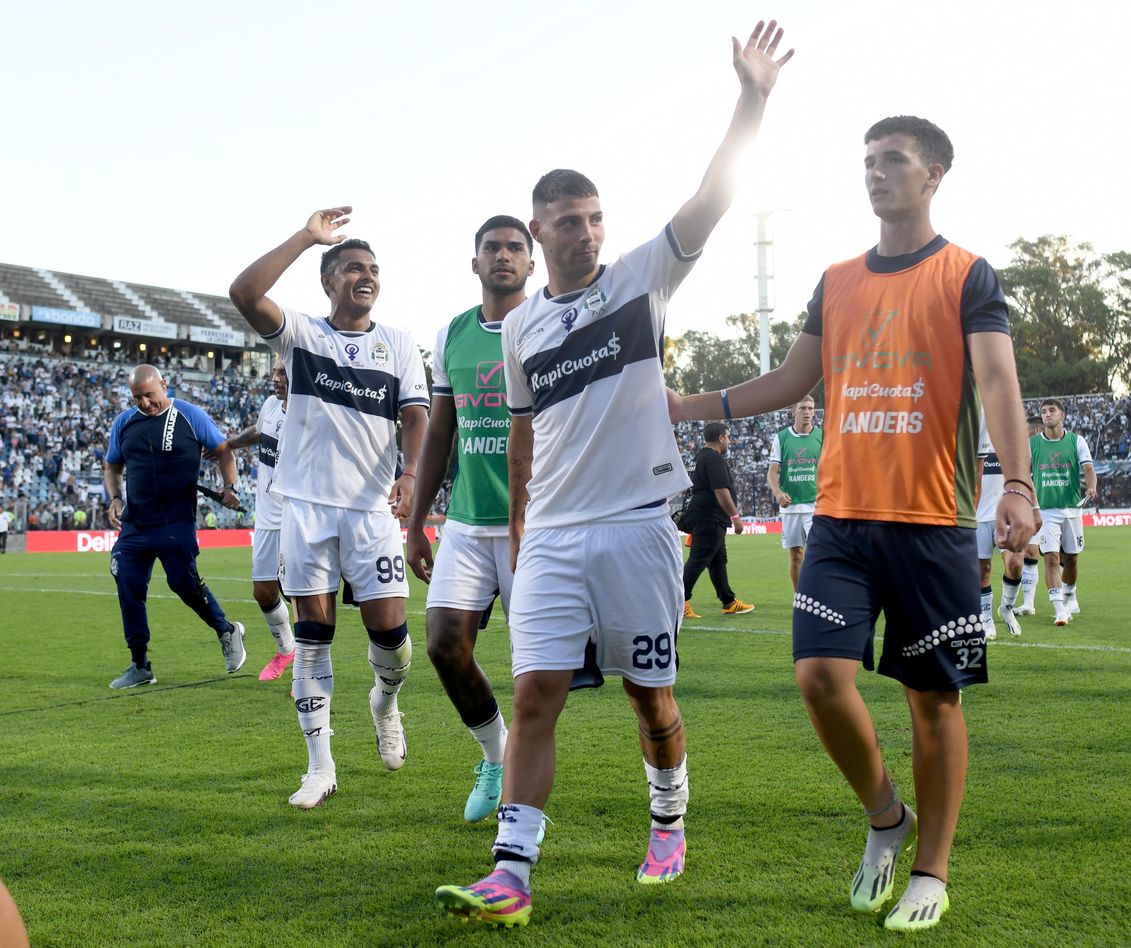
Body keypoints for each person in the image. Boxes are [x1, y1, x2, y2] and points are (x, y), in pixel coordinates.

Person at [433, 21, 792, 929]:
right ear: (537, 229)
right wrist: (519, 529)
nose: (587, 232)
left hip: (636, 525)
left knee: (649, 696)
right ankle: (512, 872)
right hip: (552, 533)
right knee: (534, 694)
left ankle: (668, 814)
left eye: (596, 218)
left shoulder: (641, 279)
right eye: (569, 221)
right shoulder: (517, 331)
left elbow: (711, 198)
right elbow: (523, 438)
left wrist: (751, 98)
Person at [671, 113, 1035, 931]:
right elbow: (794, 377)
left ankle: (932, 870)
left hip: (933, 523)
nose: (876, 171)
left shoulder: (968, 274)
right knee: (818, 676)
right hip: (840, 519)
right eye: (868, 159)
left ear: (934, 172)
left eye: (894, 159)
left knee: (933, 703)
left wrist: (1016, 482)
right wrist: (687, 404)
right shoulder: (836, 280)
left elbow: (1000, 381)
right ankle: (885, 819)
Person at [229, 210, 430, 809]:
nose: (366, 277)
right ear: (328, 281)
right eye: (352, 268)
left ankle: (385, 702)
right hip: (308, 510)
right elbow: (244, 292)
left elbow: (416, 415)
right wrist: (307, 237)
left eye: (372, 270)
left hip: (371, 512)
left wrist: (412, 471)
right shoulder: (302, 335)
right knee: (313, 639)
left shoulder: (397, 344)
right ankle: (320, 765)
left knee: (391, 637)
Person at [406, 216, 534, 824]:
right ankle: (495, 755)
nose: (503, 256)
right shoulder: (454, 332)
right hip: (464, 523)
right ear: (475, 262)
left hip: (534, 526)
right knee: (444, 645)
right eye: (492, 249)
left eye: (515, 248)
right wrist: (415, 521)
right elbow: (440, 433)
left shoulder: (548, 325)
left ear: (531, 264)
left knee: (535, 671)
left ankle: (523, 804)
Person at [104, 364, 246, 689]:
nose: (145, 403)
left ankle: (226, 630)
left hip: (176, 522)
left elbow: (223, 451)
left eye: (150, 395)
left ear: (164, 385)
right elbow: (112, 465)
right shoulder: (124, 423)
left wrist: (231, 487)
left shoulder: (190, 415)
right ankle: (140, 664)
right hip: (136, 524)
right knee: (126, 580)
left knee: (184, 583)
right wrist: (114, 497)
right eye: (137, 397)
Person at [217, 359, 296, 681]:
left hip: (296, 516)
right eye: (274, 371)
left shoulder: (311, 413)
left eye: (282, 373)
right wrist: (230, 444)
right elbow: (261, 432)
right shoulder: (270, 405)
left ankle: (308, 668)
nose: (274, 378)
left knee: (302, 595)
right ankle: (287, 649)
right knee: (263, 592)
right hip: (267, 515)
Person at [1030, 398, 1096, 625]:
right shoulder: (1033, 444)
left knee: (1071, 559)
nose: (1047, 414)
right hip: (1045, 511)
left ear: (1062, 415)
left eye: (1051, 410)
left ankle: (1070, 594)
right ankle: (1059, 610)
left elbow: (1088, 468)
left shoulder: (1077, 441)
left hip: (1071, 510)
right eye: (1043, 411)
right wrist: (1031, 506)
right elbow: (1024, 475)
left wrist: (1092, 486)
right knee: (1050, 558)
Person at [683, 421, 755, 618]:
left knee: (717, 560)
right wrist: (735, 517)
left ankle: (728, 601)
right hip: (709, 518)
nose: (729, 442)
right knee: (698, 560)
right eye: (728, 437)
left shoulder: (699, 457)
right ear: (721, 438)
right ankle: (678, 600)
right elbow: (721, 490)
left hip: (703, 516)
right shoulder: (714, 458)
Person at [766, 394, 822, 590]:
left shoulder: (822, 436)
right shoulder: (781, 438)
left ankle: (818, 593)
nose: (807, 412)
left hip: (816, 505)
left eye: (810, 408)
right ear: (794, 411)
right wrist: (778, 493)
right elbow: (772, 473)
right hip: (791, 507)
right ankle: (800, 597)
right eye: (802, 408)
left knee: (819, 553)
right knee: (796, 554)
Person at [977, 422, 1020, 638]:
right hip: (978, 516)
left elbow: (1023, 478)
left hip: (1005, 515)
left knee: (1015, 564)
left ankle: (1006, 607)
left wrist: (1035, 508)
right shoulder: (974, 436)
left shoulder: (1010, 441)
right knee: (983, 570)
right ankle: (986, 618)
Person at [1012, 415, 1044, 615]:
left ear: (1035, 431)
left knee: (1040, 553)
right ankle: (1021, 604)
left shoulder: (1042, 447)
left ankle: (1030, 603)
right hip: (1024, 504)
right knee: (1025, 553)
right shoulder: (1021, 447)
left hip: (1042, 505)